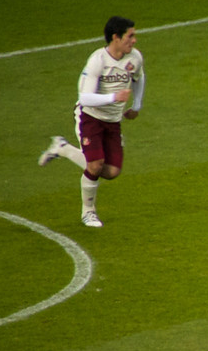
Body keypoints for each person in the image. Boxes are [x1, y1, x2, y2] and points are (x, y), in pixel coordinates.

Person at [37, 16, 145, 229]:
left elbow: (139, 77)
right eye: (130, 36)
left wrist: (137, 105)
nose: (134, 40)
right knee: (95, 165)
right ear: (115, 37)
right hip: (90, 118)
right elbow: (85, 98)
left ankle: (63, 148)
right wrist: (114, 97)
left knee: (112, 171)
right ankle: (88, 212)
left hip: (113, 121)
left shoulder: (135, 57)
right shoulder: (98, 60)